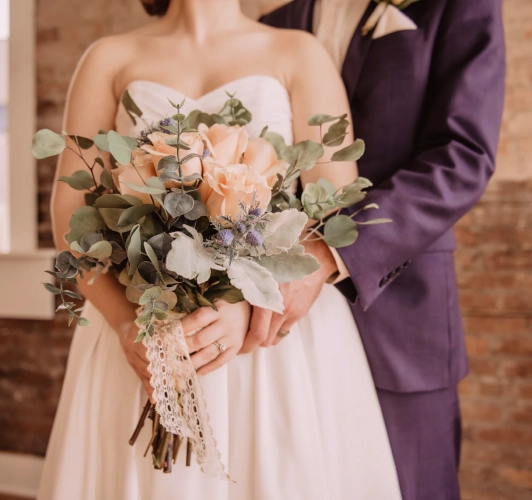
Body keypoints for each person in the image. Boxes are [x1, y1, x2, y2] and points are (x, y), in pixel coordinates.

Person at [38, 0, 402, 498]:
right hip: (148, 327)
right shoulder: (108, 58)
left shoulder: (298, 52)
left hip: (270, 342)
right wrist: (129, 324)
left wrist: (242, 303)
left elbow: (335, 209)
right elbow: (70, 215)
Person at [253, 0, 506, 498]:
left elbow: (463, 155)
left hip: (400, 316)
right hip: (279, 338)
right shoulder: (273, 23)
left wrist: (328, 252)